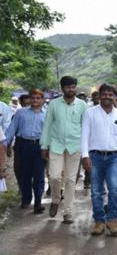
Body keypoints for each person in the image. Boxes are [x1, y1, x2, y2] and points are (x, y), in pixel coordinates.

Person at [81, 83, 117, 236]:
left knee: (114, 188)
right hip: (95, 156)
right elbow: (84, 135)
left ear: (114, 97)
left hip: (114, 157)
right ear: (99, 95)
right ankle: (99, 221)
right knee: (96, 191)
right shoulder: (90, 113)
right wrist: (85, 156)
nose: (107, 96)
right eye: (104, 94)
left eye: (110, 94)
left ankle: (112, 219)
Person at [40, 76, 87, 224]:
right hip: (56, 145)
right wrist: (44, 145)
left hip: (75, 146)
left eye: (73, 87)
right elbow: (47, 126)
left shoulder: (82, 105)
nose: (71, 89)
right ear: (62, 88)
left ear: (76, 88)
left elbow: (85, 128)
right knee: (54, 176)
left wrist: (86, 150)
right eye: (67, 87)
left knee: (70, 180)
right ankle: (55, 199)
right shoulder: (53, 105)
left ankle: (68, 212)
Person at [5, 89, 46, 213]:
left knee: (39, 175)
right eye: (33, 97)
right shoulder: (21, 113)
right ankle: (26, 199)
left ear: (42, 100)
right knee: (25, 174)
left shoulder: (47, 114)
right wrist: (6, 144)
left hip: (40, 146)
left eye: (38, 98)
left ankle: (38, 202)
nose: (35, 100)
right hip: (23, 145)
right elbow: (12, 129)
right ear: (29, 99)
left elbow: (50, 133)